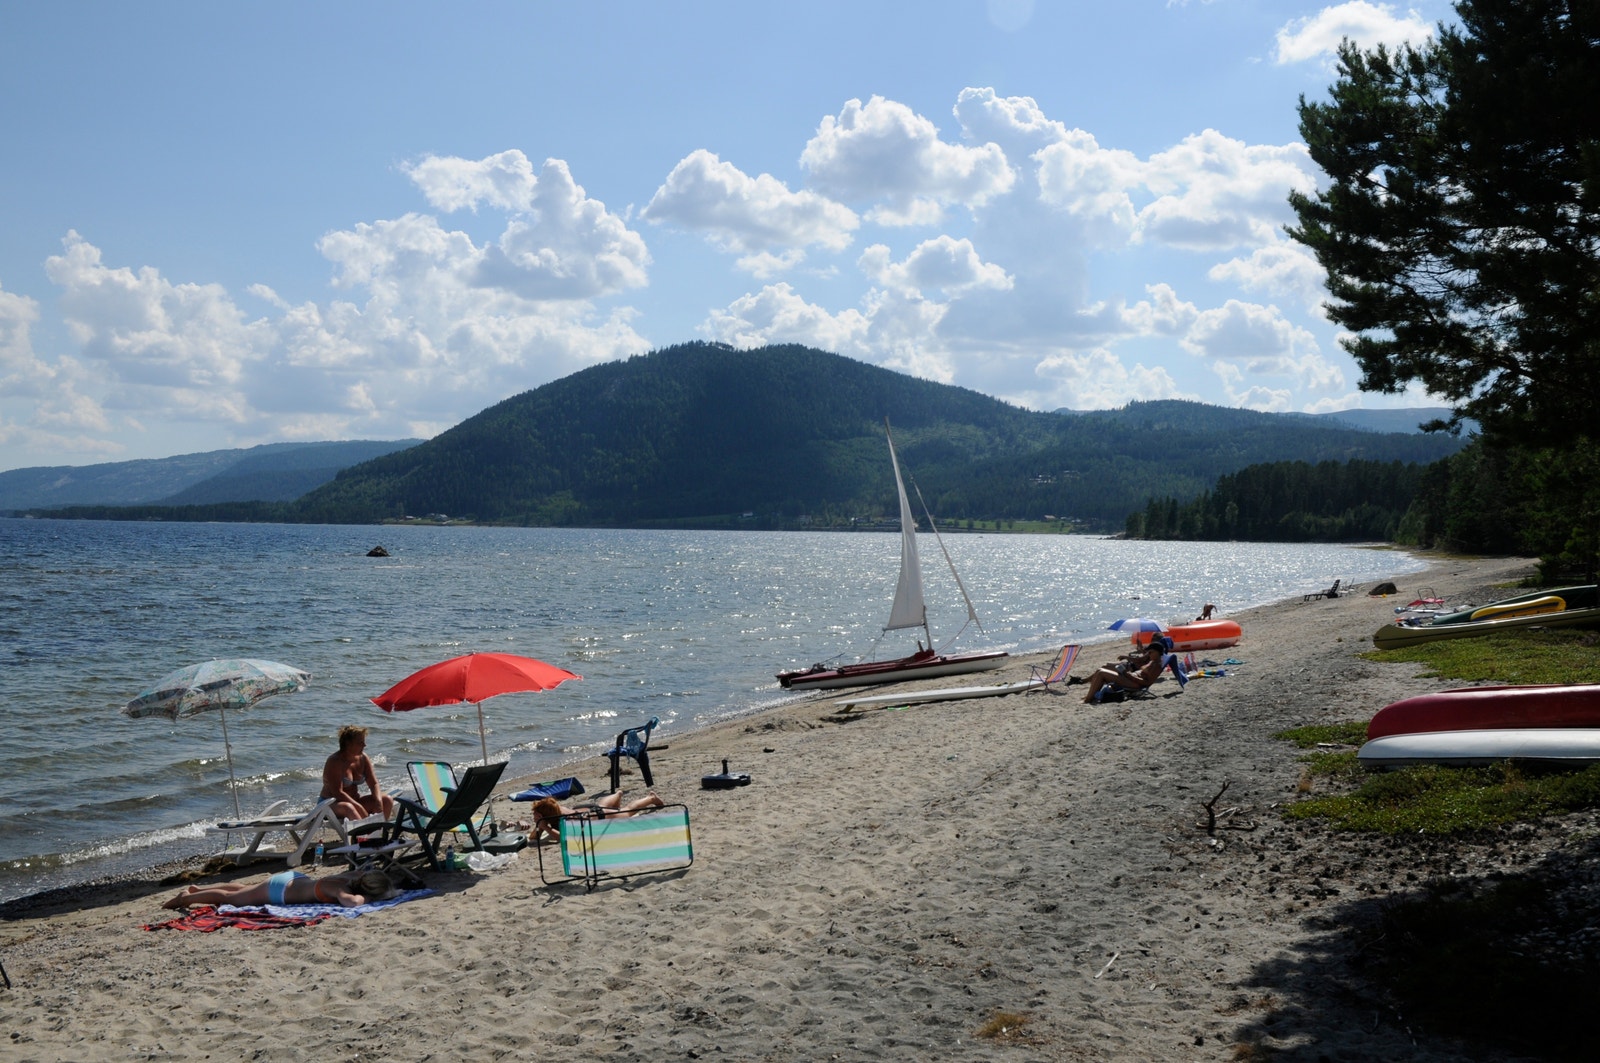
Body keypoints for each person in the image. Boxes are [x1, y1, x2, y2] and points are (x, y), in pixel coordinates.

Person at [162, 869, 395, 910]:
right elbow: (352, 902)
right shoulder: (341, 889)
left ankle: (199, 888)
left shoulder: (351, 876)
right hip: (280, 892)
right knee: (232, 898)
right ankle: (186, 898)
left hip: (293, 878)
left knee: (245, 889)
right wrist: (367, 898)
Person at [528, 791, 666, 844]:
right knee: (601, 805)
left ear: (546, 815)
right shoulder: (553, 812)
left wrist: (545, 827)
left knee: (627, 812)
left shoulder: (567, 820)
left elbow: (564, 839)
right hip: (585, 810)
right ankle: (617, 795)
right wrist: (540, 824)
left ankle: (651, 798)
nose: (534, 815)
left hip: (598, 816)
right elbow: (534, 837)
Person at [321, 724, 395, 821]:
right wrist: (359, 807)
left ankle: (380, 828)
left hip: (354, 801)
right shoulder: (334, 761)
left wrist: (378, 802)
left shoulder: (363, 758)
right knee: (349, 807)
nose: (364, 745)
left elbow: (373, 783)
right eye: (360, 742)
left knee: (387, 800)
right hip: (330, 804)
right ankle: (367, 829)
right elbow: (338, 793)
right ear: (348, 743)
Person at [1082, 642, 1167, 703]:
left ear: (1158, 652)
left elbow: (1146, 682)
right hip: (1130, 678)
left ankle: (1088, 699)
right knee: (1100, 670)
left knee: (1101, 673)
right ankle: (1090, 695)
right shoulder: (1153, 661)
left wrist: (1127, 674)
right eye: (1149, 652)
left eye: (1151, 652)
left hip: (1134, 683)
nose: (1149, 654)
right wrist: (1127, 673)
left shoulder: (1157, 666)